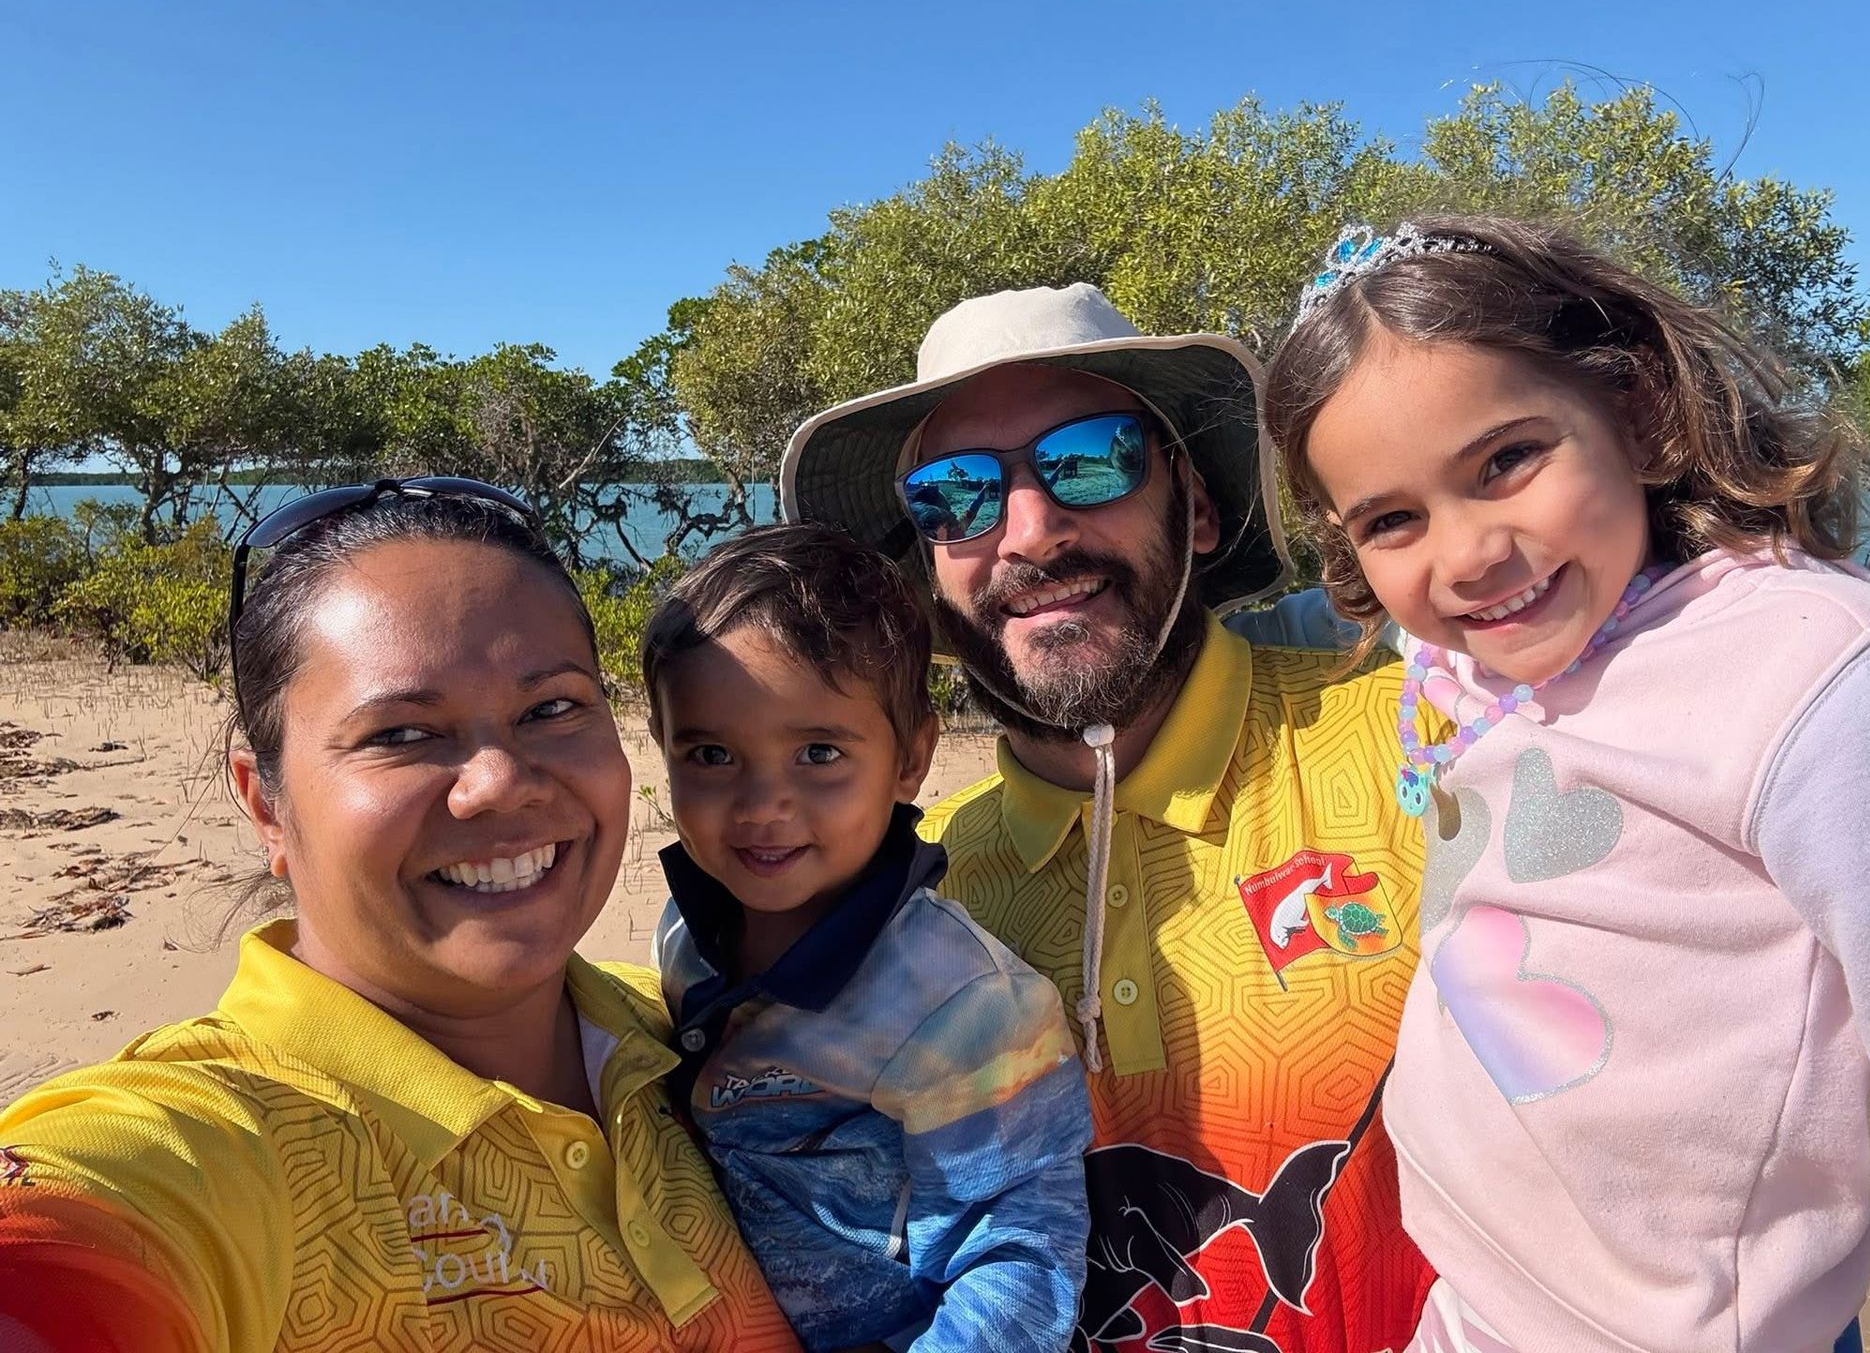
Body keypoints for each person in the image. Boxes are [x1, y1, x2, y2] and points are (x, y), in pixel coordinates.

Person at [1264, 215, 1870, 1353]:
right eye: (1393, 519)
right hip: (1466, 1308)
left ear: (1641, 414)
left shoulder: (1815, 673)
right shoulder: (1455, 654)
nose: (1467, 555)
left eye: (1506, 461)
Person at [781, 285, 1438, 1353]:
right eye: (957, 496)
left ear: (1201, 505)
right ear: (924, 576)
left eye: (1093, 459)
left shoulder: (1427, 748)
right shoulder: (908, 896)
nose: (1031, 533)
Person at [0, 479, 800, 1353]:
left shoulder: (693, 1031)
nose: (501, 781)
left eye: (554, 708)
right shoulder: (229, 1141)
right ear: (265, 805)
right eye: (401, 734)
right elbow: (63, 1243)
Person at [644, 523, 1092, 1353]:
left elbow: (1020, 1255)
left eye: (818, 752)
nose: (761, 804)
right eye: (711, 753)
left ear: (911, 757)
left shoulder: (958, 1003)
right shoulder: (687, 929)